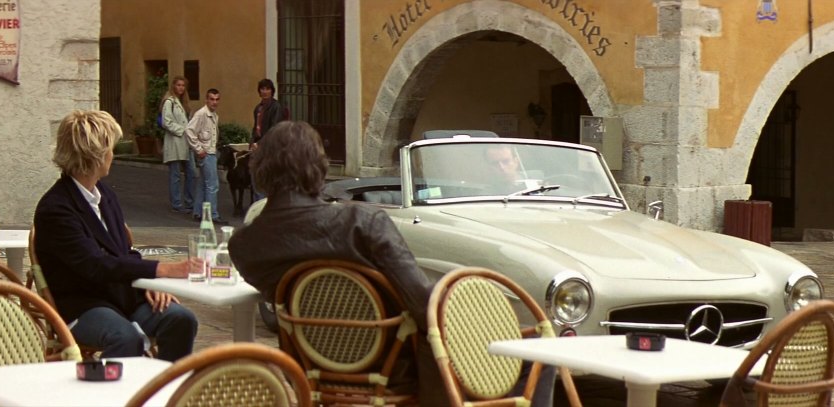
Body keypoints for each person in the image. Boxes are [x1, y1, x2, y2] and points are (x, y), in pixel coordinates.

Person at [230, 121, 556, 406]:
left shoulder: (244, 246)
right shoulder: (363, 222)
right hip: (399, 368)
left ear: (261, 170)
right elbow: (425, 306)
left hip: (317, 367)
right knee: (537, 348)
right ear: (318, 166)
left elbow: (298, 296)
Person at [34, 110, 199, 361]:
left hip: (121, 297)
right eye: (110, 148)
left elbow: (122, 253)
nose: (113, 154)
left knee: (181, 319)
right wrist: (162, 270)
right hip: (83, 304)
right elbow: (95, 265)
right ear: (95, 156)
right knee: (125, 337)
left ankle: (166, 392)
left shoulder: (104, 195)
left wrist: (149, 285)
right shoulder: (56, 208)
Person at [185, 88, 226, 224]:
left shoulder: (214, 115)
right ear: (206, 100)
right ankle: (212, 215)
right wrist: (198, 149)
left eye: (217, 99)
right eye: (212, 99)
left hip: (210, 152)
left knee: (203, 183)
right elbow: (189, 131)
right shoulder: (201, 114)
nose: (214, 102)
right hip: (206, 153)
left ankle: (198, 212)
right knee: (212, 185)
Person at [160, 76, 195, 214]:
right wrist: (182, 130)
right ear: (173, 86)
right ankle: (176, 203)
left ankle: (189, 202)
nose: (181, 88)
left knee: (191, 172)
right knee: (175, 175)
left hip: (186, 142)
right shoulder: (169, 102)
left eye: (183, 85)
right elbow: (166, 122)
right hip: (175, 141)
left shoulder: (184, 102)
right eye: (178, 85)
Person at [250, 78, 288, 201]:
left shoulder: (276, 107)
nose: (265, 91)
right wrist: (252, 142)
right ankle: (258, 209)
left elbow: (274, 128)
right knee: (256, 180)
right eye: (262, 89)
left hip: (270, 148)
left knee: (267, 180)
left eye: (268, 89)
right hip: (257, 148)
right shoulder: (258, 108)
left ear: (272, 91)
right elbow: (256, 128)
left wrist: (260, 144)